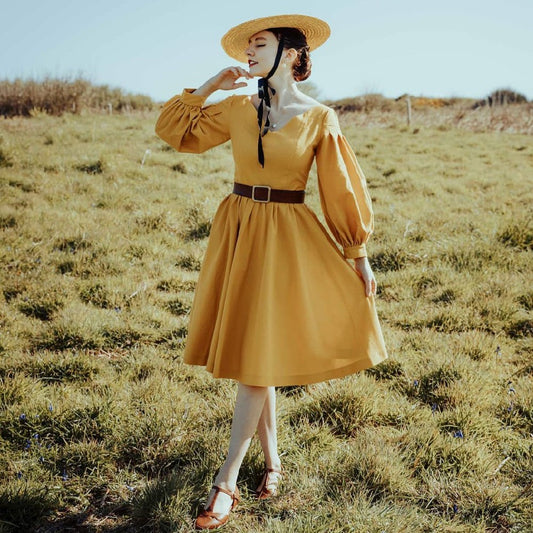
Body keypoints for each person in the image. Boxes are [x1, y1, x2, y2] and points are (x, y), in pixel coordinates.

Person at [154, 14, 388, 530]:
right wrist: (213, 84)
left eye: (261, 45)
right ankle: (274, 464)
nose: (250, 53)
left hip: (287, 239)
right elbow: (176, 131)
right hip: (238, 230)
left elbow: (340, 190)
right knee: (259, 355)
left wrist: (359, 255)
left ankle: (226, 482)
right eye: (248, 47)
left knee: (257, 362)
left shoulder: (320, 117)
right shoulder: (238, 106)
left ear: (292, 54)